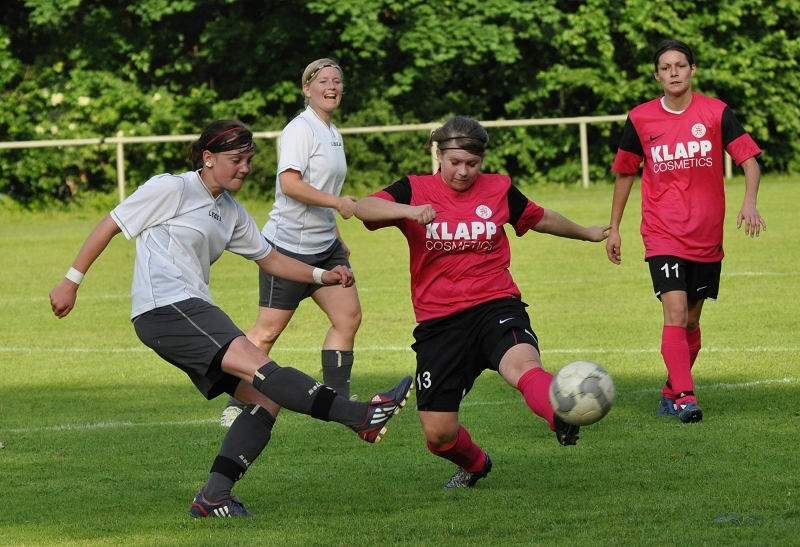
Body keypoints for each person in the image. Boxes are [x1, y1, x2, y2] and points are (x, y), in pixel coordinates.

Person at [49, 119, 412, 518]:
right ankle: (360, 416)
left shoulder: (231, 211)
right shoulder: (173, 188)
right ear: (208, 158)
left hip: (189, 309)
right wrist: (71, 281)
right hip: (167, 307)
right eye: (235, 159)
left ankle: (214, 496)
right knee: (261, 366)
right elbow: (111, 224)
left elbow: (270, 258)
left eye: (249, 160)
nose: (245, 167)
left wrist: (322, 275)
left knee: (265, 400)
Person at [353, 116, 610, 489]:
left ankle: (561, 414)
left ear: (482, 161)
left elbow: (539, 218)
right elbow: (363, 208)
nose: (463, 171)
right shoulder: (413, 189)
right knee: (439, 436)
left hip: (495, 303)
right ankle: (476, 464)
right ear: (438, 155)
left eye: (472, 164)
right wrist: (409, 212)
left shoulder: (499, 189)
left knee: (523, 365)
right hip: (439, 320)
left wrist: (586, 233)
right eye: (454, 162)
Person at [606, 39, 766, 423]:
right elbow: (626, 173)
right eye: (666, 67)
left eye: (680, 65)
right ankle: (685, 398)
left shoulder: (716, 112)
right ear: (657, 74)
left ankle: (669, 390)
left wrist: (749, 202)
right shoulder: (641, 118)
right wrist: (614, 227)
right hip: (662, 232)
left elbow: (750, 161)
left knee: (692, 321)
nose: (674, 72)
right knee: (674, 312)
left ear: (692, 70)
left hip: (707, 234)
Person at [220, 58, 360, 427]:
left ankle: (338, 400)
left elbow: (324, 187)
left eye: (337, 80)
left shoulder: (332, 131)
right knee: (267, 331)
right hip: (288, 248)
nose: (332, 86)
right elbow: (291, 184)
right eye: (323, 80)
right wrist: (339, 205)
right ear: (307, 89)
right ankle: (237, 402)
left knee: (348, 317)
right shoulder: (301, 129)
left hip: (323, 245)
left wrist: (335, 235)